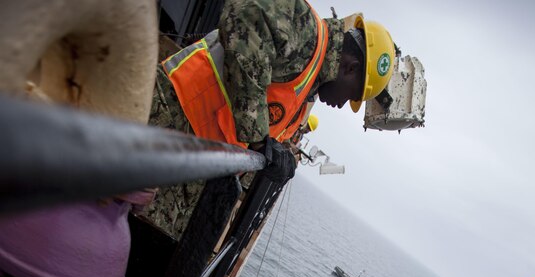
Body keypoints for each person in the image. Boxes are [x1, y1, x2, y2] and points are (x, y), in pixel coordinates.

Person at [146, 1, 395, 235]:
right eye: (352, 95)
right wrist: (258, 139)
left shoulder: (306, 89)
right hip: (163, 135)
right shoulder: (306, 29)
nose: (341, 105)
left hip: (184, 174)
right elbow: (246, 14)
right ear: (350, 67)